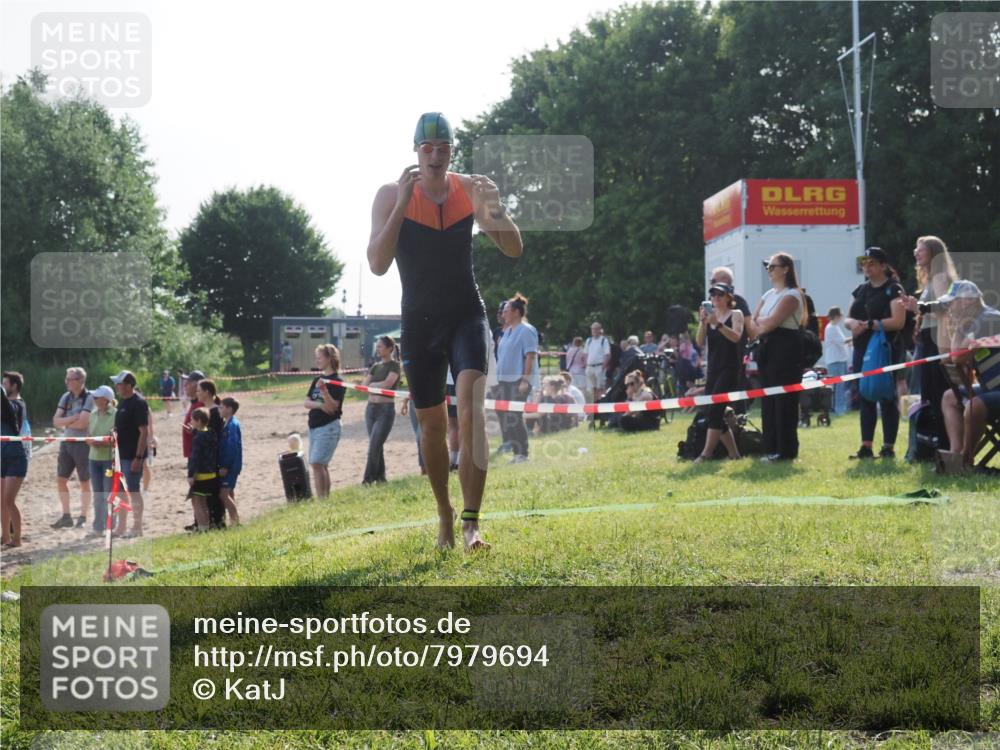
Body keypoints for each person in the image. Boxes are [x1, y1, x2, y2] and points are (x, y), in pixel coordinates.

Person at [367, 112, 523, 551]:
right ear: (415, 151)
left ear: (453, 151)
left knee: (472, 412)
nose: (435, 157)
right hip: (419, 323)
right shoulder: (389, 194)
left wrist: (494, 209)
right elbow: (378, 264)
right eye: (427, 149)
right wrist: (401, 203)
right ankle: (445, 514)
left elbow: (513, 248)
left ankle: (473, 522)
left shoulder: (470, 189)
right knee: (433, 427)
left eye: (444, 149)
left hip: (464, 315)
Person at [845, 247, 908, 459]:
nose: (867, 267)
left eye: (872, 262)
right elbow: (847, 318)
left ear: (883, 265)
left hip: (886, 348)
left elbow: (898, 322)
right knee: (865, 395)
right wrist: (853, 324)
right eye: (864, 262)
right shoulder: (861, 289)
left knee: (887, 396)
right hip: (862, 349)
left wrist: (871, 324)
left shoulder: (893, 288)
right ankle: (866, 447)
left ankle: (888, 447)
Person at [745, 252, 806, 462]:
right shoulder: (768, 295)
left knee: (784, 400)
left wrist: (762, 321)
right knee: (769, 401)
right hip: (767, 348)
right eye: (768, 267)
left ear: (786, 269)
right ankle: (769, 446)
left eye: (773, 266)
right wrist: (762, 321)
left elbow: (771, 322)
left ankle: (786, 449)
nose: (769, 271)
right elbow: (752, 324)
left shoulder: (793, 295)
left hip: (786, 349)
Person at [936, 281, 1000, 469]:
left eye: (952, 302)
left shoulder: (989, 319)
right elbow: (949, 358)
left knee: (974, 405)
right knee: (949, 397)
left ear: (968, 301)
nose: (950, 308)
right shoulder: (972, 323)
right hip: (992, 388)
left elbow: (957, 355)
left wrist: (956, 326)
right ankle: (955, 454)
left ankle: (965, 459)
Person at [901, 236, 959, 442]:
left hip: (936, 340)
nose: (916, 252)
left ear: (933, 254)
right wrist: (916, 307)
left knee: (935, 392)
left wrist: (918, 307)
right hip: (927, 339)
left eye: (921, 249)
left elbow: (944, 311)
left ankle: (941, 442)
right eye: (916, 249)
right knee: (927, 393)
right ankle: (930, 441)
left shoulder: (941, 278)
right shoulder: (930, 280)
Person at [694, 281, 744, 462]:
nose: (715, 298)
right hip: (713, 369)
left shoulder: (736, 314)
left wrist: (719, 325)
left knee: (715, 410)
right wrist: (703, 322)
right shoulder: (710, 317)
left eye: (720, 294)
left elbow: (737, 337)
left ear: (729, 297)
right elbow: (699, 342)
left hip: (729, 369)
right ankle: (735, 454)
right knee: (711, 411)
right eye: (713, 295)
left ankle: (706, 454)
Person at [50, 367, 95, 529]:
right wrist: (73, 418)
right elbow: (55, 421)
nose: (67, 382)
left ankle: (83, 516)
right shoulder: (65, 397)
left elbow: (83, 423)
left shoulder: (90, 398)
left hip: (83, 443)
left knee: (84, 481)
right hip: (67, 442)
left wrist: (66, 420)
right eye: (66, 379)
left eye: (70, 379)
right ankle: (66, 515)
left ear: (81, 381)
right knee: (61, 479)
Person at [496, 293, 538, 464]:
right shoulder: (506, 332)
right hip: (503, 381)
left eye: (506, 311)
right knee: (506, 416)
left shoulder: (527, 330)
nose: (503, 314)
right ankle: (516, 452)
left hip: (518, 381)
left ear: (515, 312)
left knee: (514, 416)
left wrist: (525, 380)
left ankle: (522, 454)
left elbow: (530, 356)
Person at [304, 344, 346, 499]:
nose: (317, 361)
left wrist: (324, 391)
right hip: (314, 427)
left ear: (329, 358)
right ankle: (324, 499)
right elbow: (306, 402)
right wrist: (320, 405)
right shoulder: (317, 379)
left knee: (316, 463)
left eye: (319, 357)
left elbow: (333, 408)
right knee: (320, 465)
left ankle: (323, 499)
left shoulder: (337, 381)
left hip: (328, 427)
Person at [110, 371, 148, 537]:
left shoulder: (138, 403)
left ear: (128, 385)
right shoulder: (123, 403)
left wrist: (138, 458)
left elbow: (143, 432)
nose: (117, 386)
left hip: (132, 456)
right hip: (120, 455)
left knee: (133, 491)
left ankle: (137, 527)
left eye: (119, 384)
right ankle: (121, 527)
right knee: (120, 492)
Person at [362, 335, 401, 485]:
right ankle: (381, 478)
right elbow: (365, 385)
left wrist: (373, 386)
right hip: (370, 409)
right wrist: (374, 386)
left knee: (373, 446)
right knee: (377, 445)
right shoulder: (375, 366)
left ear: (389, 348)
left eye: (380, 346)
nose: (377, 349)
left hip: (385, 410)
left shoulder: (394, 366)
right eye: (377, 346)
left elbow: (387, 385)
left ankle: (367, 480)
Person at [193, 378, 226, 527]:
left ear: (207, 392)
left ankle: (216, 522)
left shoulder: (215, 412)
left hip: (211, 462)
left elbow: (215, 439)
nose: (197, 393)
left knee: (212, 494)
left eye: (199, 390)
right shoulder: (207, 411)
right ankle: (204, 522)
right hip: (206, 461)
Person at [85, 385, 116, 538]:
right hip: (93, 458)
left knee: (108, 494)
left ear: (106, 400)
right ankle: (98, 527)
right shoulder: (93, 414)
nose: (94, 399)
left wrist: (103, 443)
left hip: (109, 459)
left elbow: (117, 438)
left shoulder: (115, 414)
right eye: (94, 397)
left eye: (97, 397)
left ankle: (111, 526)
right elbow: (89, 433)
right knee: (97, 495)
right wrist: (90, 440)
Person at [1, 373, 27, 549]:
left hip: (16, 458)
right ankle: (5, 538)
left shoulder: (18, 405)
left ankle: (17, 539)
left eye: (5, 384)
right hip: (2, 456)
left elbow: (9, 412)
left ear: (15, 386)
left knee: (9, 500)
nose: (3, 386)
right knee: (1, 501)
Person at [180, 370, 205, 531]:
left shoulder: (201, 404)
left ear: (197, 385)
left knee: (198, 489)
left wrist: (193, 431)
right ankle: (198, 521)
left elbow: (204, 431)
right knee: (195, 489)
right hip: (192, 452)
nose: (185, 386)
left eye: (188, 383)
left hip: (198, 453)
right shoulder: (194, 403)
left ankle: (202, 523)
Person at [186, 408, 218, 532]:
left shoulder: (198, 438)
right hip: (211, 474)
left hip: (201, 475)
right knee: (204, 502)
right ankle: (207, 526)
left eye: (192, 420)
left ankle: (203, 528)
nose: (190, 421)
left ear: (198, 421)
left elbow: (195, 458)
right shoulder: (211, 432)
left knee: (197, 502)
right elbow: (202, 436)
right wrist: (194, 431)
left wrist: (190, 475)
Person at [823, 307, 853, 416]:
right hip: (835, 360)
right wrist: (854, 337)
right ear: (836, 316)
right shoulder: (831, 328)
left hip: (840, 359)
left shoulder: (835, 327)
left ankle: (841, 407)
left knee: (841, 385)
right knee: (838, 386)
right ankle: (838, 409)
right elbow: (842, 341)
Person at [218, 397, 243, 525]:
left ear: (229, 409)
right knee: (230, 492)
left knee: (223, 494)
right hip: (231, 465)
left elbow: (232, 447)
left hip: (231, 466)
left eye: (221, 407)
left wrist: (226, 466)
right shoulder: (227, 423)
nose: (219, 410)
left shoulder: (232, 425)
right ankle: (234, 521)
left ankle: (236, 521)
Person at [584, 322, 611, 403]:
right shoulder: (589, 340)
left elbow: (607, 354)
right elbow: (585, 353)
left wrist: (603, 365)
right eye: (593, 329)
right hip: (589, 367)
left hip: (599, 366)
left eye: (596, 329)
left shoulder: (604, 340)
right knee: (591, 388)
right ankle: (593, 405)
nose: (594, 331)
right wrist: (586, 364)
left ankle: (600, 404)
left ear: (600, 330)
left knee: (600, 387)